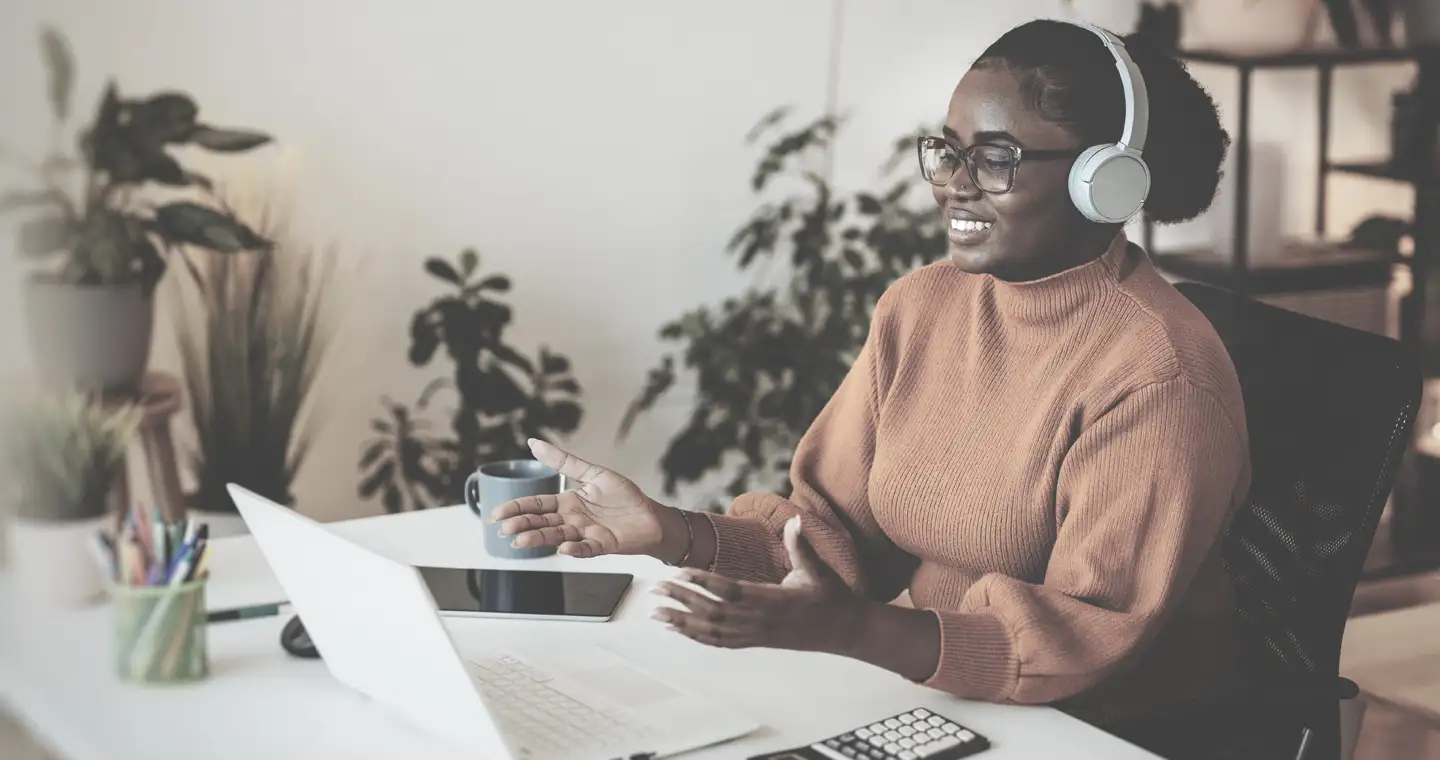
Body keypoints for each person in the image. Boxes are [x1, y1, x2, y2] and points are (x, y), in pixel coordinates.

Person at [492, 17, 1249, 755]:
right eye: (948, 153)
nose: (954, 186)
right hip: (947, 696)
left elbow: (1082, 644)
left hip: (1099, 731)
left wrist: (854, 631)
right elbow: (833, 535)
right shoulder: (922, 305)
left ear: (1103, 184)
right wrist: (670, 530)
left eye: (995, 160)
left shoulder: (1158, 375)